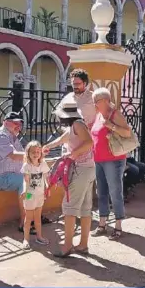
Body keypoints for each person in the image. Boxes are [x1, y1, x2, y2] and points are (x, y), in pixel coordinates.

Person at [43, 101, 95, 257]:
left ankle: (67, 246)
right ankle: (83, 245)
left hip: (80, 170)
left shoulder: (78, 125)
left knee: (69, 208)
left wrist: (73, 155)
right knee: (85, 209)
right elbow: (60, 140)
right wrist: (46, 147)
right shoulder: (76, 126)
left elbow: (89, 143)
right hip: (87, 170)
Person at [90, 87, 132, 240]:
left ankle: (118, 226)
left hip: (114, 160)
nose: (95, 104)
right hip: (99, 159)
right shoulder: (98, 116)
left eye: (97, 101)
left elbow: (127, 132)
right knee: (101, 192)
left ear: (106, 101)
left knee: (115, 192)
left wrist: (112, 126)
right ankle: (102, 224)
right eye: (94, 101)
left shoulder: (115, 115)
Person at [0, 112, 34, 235]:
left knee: (34, 180)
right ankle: (25, 222)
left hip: (11, 176)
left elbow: (21, 159)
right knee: (25, 181)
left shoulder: (13, 137)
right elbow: (13, 155)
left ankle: (33, 215)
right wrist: (35, 154)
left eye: (20, 123)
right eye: (15, 123)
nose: (18, 125)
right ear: (5, 122)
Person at [20, 141, 51, 250]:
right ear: (28, 153)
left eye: (38, 151)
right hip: (29, 195)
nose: (36, 153)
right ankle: (26, 239)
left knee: (38, 218)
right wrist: (24, 190)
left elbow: (46, 177)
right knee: (28, 219)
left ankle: (39, 236)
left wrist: (47, 187)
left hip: (40, 195)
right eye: (33, 151)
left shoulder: (43, 164)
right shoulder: (27, 166)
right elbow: (25, 181)